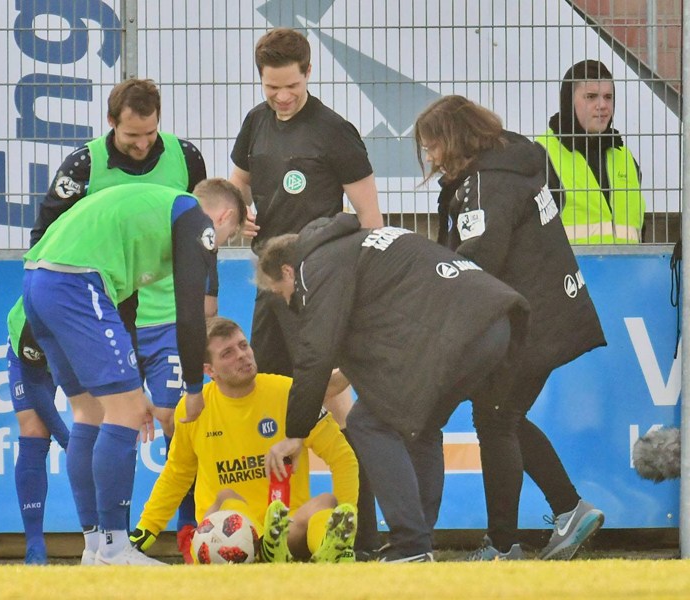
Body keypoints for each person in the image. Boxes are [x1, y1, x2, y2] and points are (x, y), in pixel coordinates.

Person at [258, 213, 531, 563]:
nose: (288, 302)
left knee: (367, 421)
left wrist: (296, 432)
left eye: (283, 294)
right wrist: (345, 377)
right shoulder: (360, 243)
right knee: (423, 426)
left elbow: (316, 351)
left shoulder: (316, 264)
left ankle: (411, 543)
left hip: (454, 331)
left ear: (286, 271)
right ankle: (418, 542)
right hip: (497, 324)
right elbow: (396, 321)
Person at [415, 94, 607, 560]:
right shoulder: (511, 161)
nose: (429, 157)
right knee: (503, 416)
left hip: (530, 323)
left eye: (432, 145)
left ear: (454, 140)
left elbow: (481, 255)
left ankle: (501, 546)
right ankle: (568, 509)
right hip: (550, 313)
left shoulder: (485, 182)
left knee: (496, 419)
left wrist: (427, 291)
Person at [21, 180, 247, 565]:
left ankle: (94, 547)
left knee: (89, 413)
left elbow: (124, 305)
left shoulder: (151, 212)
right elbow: (191, 312)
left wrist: (128, 383)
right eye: (227, 237)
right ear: (223, 217)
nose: (216, 245)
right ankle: (115, 548)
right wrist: (194, 388)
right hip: (78, 281)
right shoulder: (196, 219)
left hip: (38, 281)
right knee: (125, 412)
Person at [32, 78, 210, 563]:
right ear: (112, 123)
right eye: (132, 136)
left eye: (150, 134)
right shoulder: (84, 163)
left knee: (142, 421)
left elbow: (203, 232)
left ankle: (150, 539)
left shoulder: (186, 157)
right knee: (127, 414)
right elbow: (46, 234)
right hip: (97, 302)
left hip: (161, 311)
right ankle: (112, 543)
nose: (142, 145)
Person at [229, 26, 384, 554]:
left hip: (320, 288)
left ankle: (364, 532)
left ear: (309, 74)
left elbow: (370, 218)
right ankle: (273, 531)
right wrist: (241, 218)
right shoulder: (256, 123)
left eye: (291, 86)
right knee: (272, 404)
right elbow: (235, 189)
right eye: (273, 87)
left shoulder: (335, 132)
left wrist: (354, 291)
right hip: (270, 288)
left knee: (336, 409)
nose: (282, 97)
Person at [130, 317, 360, 563]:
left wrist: (350, 515)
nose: (242, 355)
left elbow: (343, 458)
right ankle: (268, 547)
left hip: (286, 531)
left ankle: (334, 548)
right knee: (226, 497)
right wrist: (148, 529)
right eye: (228, 353)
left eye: (243, 345)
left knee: (326, 502)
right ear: (209, 370)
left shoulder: (289, 393)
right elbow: (177, 474)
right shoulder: (194, 407)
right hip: (224, 540)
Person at [535, 59, 645, 244]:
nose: (602, 105)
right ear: (569, 101)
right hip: (571, 272)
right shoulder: (543, 155)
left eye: (608, 97)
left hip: (627, 270)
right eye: (591, 96)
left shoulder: (624, 156)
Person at [6, 298, 70, 565]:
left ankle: (109, 540)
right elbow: (35, 391)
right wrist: (69, 442)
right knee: (34, 431)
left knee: (102, 429)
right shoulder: (33, 318)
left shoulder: (96, 315)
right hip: (30, 350)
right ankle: (35, 546)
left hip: (81, 348)